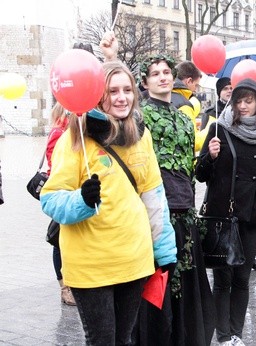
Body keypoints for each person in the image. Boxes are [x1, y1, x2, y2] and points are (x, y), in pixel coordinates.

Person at [40, 60, 177, 345]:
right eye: (112, 91)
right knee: (102, 340)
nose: (121, 97)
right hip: (92, 265)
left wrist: (165, 253)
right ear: (98, 95)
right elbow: (50, 198)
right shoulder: (75, 137)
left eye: (127, 89)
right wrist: (80, 199)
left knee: (124, 339)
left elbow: (154, 196)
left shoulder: (142, 135)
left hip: (135, 259)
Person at [138, 53, 215, 346]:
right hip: (157, 215)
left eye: (166, 71)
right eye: (155, 73)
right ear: (145, 82)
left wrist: (209, 156)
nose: (162, 76)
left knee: (186, 291)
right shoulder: (141, 114)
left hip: (185, 211)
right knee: (159, 291)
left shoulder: (184, 120)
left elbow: (188, 167)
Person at [195, 78, 256, 346]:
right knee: (222, 278)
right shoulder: (219, 129)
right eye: (238, 100)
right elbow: (201, 174)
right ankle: (222, 335)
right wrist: (210, 156)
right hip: (221, 214)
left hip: (251, 216)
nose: (242, 106)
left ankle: (236, 334)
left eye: (248, 100)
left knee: (242, 278)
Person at [45, 102, 75, 306]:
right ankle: (65, 287)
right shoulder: (60, 132)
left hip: (75, 193)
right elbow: (52, 159)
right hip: (61, 192)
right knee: (58, 239)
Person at [171, 61, 205, 151]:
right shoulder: (184, 105)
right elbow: (193, 142)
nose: (196, 90)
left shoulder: (164, 95)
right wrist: (210, 129)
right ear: (189, 81)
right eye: (196, 85)